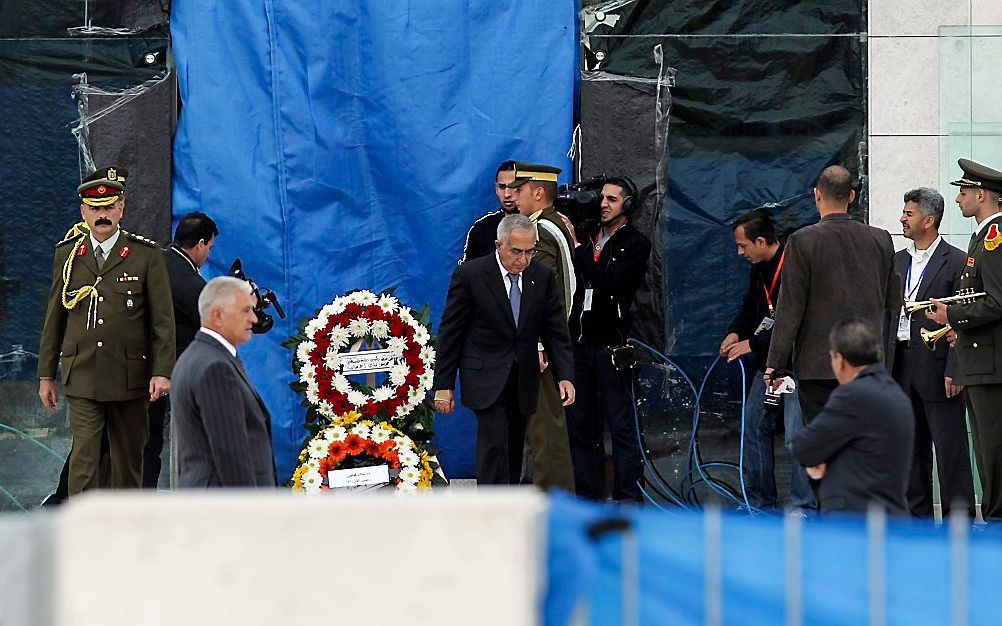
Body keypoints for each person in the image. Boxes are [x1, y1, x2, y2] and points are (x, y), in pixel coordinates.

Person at [37, 166, 175, 495]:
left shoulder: (145, 255)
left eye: (109, 207)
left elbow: (162, 321)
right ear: (84, 211)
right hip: (82, 372)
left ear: (121, 208)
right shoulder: (68, 254)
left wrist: (162, 372)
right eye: (95, 208)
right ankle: (84, 531)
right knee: (84, 455)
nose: (102, 215)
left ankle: (124, 531)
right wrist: (45, 375)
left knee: (128, 459)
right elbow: (55, 315)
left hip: (130, 376)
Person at [433, 214, 575, 485]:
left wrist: (565, 375)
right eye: (516, 251)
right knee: (495, 443)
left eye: (530, 252)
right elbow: (452, 332)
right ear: (499, 245)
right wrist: (444, 384)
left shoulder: (541, 276)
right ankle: (492, 510)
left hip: (523, 377)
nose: (523, 260)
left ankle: (508, 501)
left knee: (514, 445)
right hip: (484, 375)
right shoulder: (471, 275)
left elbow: (556, 330)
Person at [765, 165, 899, 424]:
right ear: (851, 197)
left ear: (816, 194)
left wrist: (774, 363)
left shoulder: (802, 241)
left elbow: (790, 307)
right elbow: (892, 303)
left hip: (818, 366)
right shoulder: (881, 239)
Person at [719, 209, 813, 512]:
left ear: (761, 241)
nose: (739, 252)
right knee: (753, 427)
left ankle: (804, 507)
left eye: (743, 246)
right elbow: (751, 308)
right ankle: (759, 502)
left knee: (795, 437)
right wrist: (735, 333)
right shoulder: (757, 269)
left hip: (795, 365)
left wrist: (752, 343)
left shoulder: (793, 266)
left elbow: (793, 321)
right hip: (767, 363)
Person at [565, 175, 651, 501]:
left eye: (612, 199)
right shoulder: (588, 236)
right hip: (579, 345)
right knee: (581, 427)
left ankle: (628, 499)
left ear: (628, 205)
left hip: (611, 346)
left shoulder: (636, 243)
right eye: (602, 198)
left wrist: (577, 249)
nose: (603, 204)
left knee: (621, 427)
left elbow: (607, 283)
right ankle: (589, 498)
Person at [890, 187, 974, 518]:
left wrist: (956, 367)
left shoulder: (955, 261)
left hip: (939, 367)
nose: (902, 219)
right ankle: (917, 523)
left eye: (908, 213)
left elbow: (964, 319)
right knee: (910, 448)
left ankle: (960, 524)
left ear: (930, 219)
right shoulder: (897, 260)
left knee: (950, 448)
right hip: (899, 363)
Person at [926, 158, 1002, 522]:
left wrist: (951, 316)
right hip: (981, 361)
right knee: (986, 454)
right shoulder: (981, 237)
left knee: (993, 452)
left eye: (964, 192)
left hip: (991, 364)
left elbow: (998, 301)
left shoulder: (994, 237)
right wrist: (957, 322)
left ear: (982, 194)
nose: (958, 199)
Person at [791, 319, 914, 516]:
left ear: (839, 360)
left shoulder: (852, 394)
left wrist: (821, 461)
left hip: (853, 519)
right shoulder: (897, 395)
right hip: (893, 515)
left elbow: (804, 447)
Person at [507, 161, 577, 491]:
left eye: (518, 189)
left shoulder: (543, 232)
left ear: (537, 192)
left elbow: (543, 297)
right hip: (545, 344)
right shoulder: (549, 226)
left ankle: (553, 505)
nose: (511, 195)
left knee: (545, 431)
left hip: (542, 349)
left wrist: (537, 344)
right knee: (540, 429)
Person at [171, 276, 277, 487]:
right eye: (245, 310)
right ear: (217, 315)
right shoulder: (215, 367)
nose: (254, 319)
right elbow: (230, 453)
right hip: (223, 508)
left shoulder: (198, 356)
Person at [143, 211, 218, 488]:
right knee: (149, 445)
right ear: (199, 244)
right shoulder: (186, 279)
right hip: (156, 374)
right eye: (209, 247)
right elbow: (214, 320)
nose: (208, 254)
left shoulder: (160, 260)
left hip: (144, 369)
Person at [460, 160, 518, 264]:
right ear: (496, 189)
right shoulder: (482, 228)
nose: (507, 194)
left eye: (513, 187)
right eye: (502, 187)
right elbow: (467, 274)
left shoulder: (539, 225)